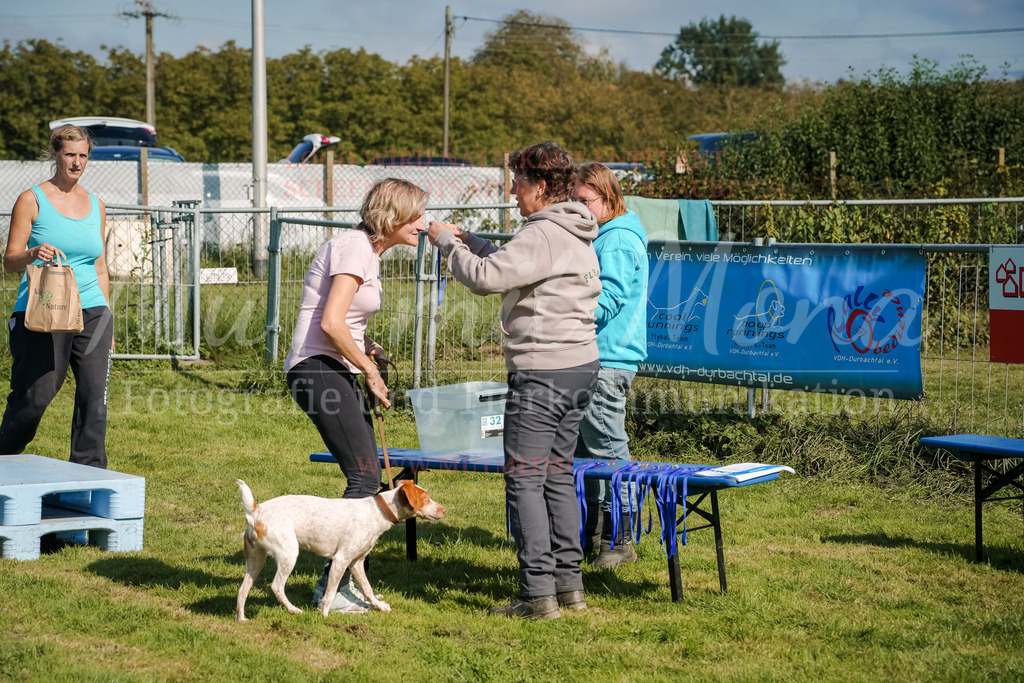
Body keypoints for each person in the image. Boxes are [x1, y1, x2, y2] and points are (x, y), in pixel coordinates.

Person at [428, 141, 601, 620]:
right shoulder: (574, 228)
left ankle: (536, 595)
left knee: (524, 479)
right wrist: (470, 240)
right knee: (557, 475)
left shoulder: (541, 232)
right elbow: (515, 267)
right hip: (580, 366)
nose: (512, 191)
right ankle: (570, 588)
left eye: (518, 182)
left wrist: (447, 244)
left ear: (541, 186)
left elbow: (486, 278)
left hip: (542, 371)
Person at [285, 177, 428, 614]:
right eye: (416, 215)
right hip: (317, 370)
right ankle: (329, 590)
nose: (423, 224)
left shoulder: (369, 252)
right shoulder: (354, 247)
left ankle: (335, 584)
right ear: (393, 215)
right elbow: (330, 322)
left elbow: (346, 321)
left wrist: (369, 350)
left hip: (336, 368)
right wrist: (368, 370)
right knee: (366, 478)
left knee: (367, 475)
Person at [0, 124, 113, 469]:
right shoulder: (31, 199)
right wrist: (32, 253)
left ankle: (89, 478)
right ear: (55, 154)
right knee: (36, 396)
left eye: (82, 156)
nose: (76, 162)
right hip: (45, 308)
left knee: (94, 398)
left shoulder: (96, 205)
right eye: (69, 155)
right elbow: (9, 262)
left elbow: (100, 267)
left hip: (92, 309)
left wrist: (108, 318)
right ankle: (4, 454)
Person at [571, 162, 649, 569]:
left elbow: (610, 298)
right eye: (575, 201)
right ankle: (592, 535)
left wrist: (564, 318)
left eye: (585, 200)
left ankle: (621, 538)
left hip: (607, 357)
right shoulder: (604, 233)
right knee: (585, 452)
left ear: (608, 196)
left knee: (607, 448)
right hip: (591, 354)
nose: (580, 208)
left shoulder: (616, 239)